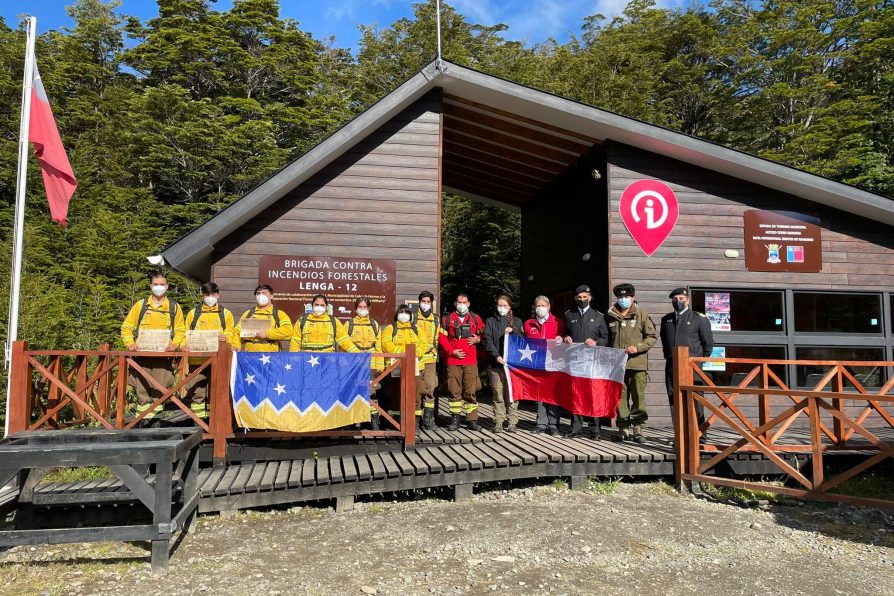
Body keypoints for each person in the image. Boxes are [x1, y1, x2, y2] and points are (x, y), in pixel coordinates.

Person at [120, 272, 186, 423]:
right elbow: (127, 327)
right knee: (141, 387)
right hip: (141, 355)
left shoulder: (174, 307)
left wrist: (175, 344)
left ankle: (157, 419)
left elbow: (181, 330)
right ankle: (142, 419)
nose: (159, 287)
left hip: (163, 356)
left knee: (161, 387)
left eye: (162, 285)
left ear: (167, 287)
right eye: (156, 284)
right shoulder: (140, 305)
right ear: (151, 286)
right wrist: (130, 343)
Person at [606, 283, 656, 443]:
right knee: (620, 398)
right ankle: (623, 429)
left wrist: (638, 347)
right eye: (620, 297)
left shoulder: (642, 315)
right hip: (618, 366)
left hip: (637, 364)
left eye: (626, 296)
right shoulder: (611, 316)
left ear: (633, 297)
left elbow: (651, 337)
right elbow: (606, 339)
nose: (623, 299)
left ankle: (638, 429)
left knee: (638, 397)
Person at [660, 287, 714, 430]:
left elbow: (708, 343)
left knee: (695, 399)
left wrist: (698, 360)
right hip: (672, 365)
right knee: (674, 400)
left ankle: (699, 435)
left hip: (692, 366)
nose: (678, 301)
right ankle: (679, 434)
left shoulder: (698, 319)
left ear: (688, 300)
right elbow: (664, 339)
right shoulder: (666, 320)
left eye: (681, 299)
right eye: (675, 299)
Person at [183, 282, 240, 418]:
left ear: (218, 295)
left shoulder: (226, 314)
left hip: (219, 360)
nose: (210, 297)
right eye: (207, 294)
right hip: (197, 359)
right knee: (197, 390)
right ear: (203, 295)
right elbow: (184, 334)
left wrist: (225, 338)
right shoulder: (193, 313)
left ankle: (214, 419)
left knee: (217, 389)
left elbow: (231, 334)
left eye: (213, 294)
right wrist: (183, 345)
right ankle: (198, 421)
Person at [564, 284, 610, 439]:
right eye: (579, 297)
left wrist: (597, 342)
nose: (582, 300)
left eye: (585, 297)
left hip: (593, 362)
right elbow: (565, 334)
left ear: (590, 297)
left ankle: (595, 431)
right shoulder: (569, 315)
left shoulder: (598, 316)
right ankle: (576, 429)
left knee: (592, 395)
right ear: (575, 298)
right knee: (576, 394)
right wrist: (565, 338)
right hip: (576, 361)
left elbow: (606, 338)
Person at [439, 292, 485, 431]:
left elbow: (483, 333)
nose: (462, 305)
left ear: (469, 304)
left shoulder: (475, 318)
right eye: (459, 302)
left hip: (470, 360)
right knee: (454, 390)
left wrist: (478, 339)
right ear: (455, 303)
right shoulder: (448, 319)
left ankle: (472, 420)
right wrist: (451, 351)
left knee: (471, 390)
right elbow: (441, 337)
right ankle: (455, 418)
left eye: (465, 302)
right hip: (453, 360)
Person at [524, 295, 566, 436]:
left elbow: (565, 338)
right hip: (537, 363)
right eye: (538, 306)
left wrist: (562, 337)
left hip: (554, 363)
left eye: (543, 306)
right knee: (539, 395)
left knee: (553, 394)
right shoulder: (528, 323)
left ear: (548, 307)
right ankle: (541, 423)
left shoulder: (558, 322)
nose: (540, 308)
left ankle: (553, 424)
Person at [381, 305, 426, 430]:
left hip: (415, 366)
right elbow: (386, 344)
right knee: (395, 394)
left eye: (407, 312)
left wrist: (413, 353)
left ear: (411, 315)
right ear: (396, 314)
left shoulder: (417, 329)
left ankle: (414, 423)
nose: (404, 314)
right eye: (401, 312)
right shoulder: (390, 329)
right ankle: (394, 422)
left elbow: (424, 345)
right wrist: (402, 352)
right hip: (396, 366)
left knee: (415, 395)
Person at [484, 295, 525, 433]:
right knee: (498, 394)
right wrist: (496, 355)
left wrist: (514, 330)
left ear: (509, 307)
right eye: (499, 305)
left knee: (512, 394)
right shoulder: (490, 321)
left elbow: (523, 341)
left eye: (504, 306)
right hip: (495, 365)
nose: (502, 308)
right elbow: (487, 340)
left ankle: (512, 422)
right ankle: (498, 422)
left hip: (512, 366)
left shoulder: (517, 321)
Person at [346, 297, 384, 429]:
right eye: (360, 307)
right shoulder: (349, 324)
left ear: (369, 309)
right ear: (356, 308)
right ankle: (355, 420)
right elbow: (343, 347)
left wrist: (379, 366)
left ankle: (374, 420)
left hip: (371, 362)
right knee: (355, 391)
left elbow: (379, 347)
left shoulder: (374, 325)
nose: (362, 309)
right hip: (354, 364)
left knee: (371, 391)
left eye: (365, 307)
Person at [289, 294, 357, 353]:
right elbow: (295, 342)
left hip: (327, 360)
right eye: (316, 305)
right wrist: (294, 359)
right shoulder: (302, 320)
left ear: (326, 306)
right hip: (307, 359)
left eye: (322, 305)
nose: (319, 307)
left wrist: (359, 353)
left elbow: (345, 341)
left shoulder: (334, 321)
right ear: (312, 305)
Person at [236, 285, 293, 351]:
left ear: (271, 296)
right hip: (250, 356)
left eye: (264, 293)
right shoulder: (248, 314)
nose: (261, 296)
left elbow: (288, 331)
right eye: (258, 293)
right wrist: (235, 345)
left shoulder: (279, 314)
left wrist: (267, 334)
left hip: (272, 356)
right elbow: (237, 332)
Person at [415, 291, 440, 430]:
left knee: (430, 387)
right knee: (418, 388)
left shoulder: (436, 319)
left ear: (431, 303)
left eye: (428, 302)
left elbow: (441, 336)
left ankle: (428, 419)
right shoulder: (412, 317)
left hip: (430, 358)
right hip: (417, 358)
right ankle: (416, 419)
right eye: (423, 301)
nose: (425, 304)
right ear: (419, 302)